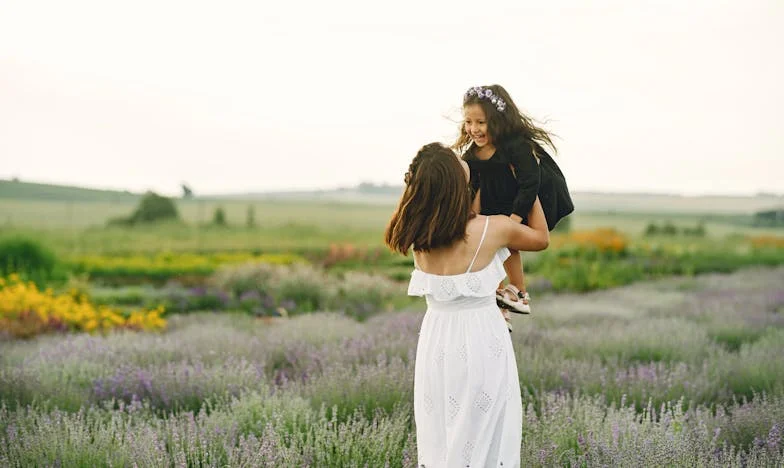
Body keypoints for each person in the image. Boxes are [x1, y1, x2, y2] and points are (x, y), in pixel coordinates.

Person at [384, 142, 549, 467]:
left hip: (437, 343)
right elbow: (540, 238)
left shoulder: (419, 233)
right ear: (457, 185)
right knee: (486, 436)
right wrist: (529, 186)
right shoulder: (491, 229)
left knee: (444, 437)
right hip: (480, 339)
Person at [455, 85, 574, 329]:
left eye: (481, 122)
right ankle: (500, 302)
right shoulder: (472, 155)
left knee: (508, 244)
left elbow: (531, 182)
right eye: (469, 122)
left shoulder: (516, 147)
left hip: (526, 201)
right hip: (493, 207)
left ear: (497, 120)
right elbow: (469, 187)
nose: (474, 129)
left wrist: (515, 219)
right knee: (492, 247)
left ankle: (519, 291)